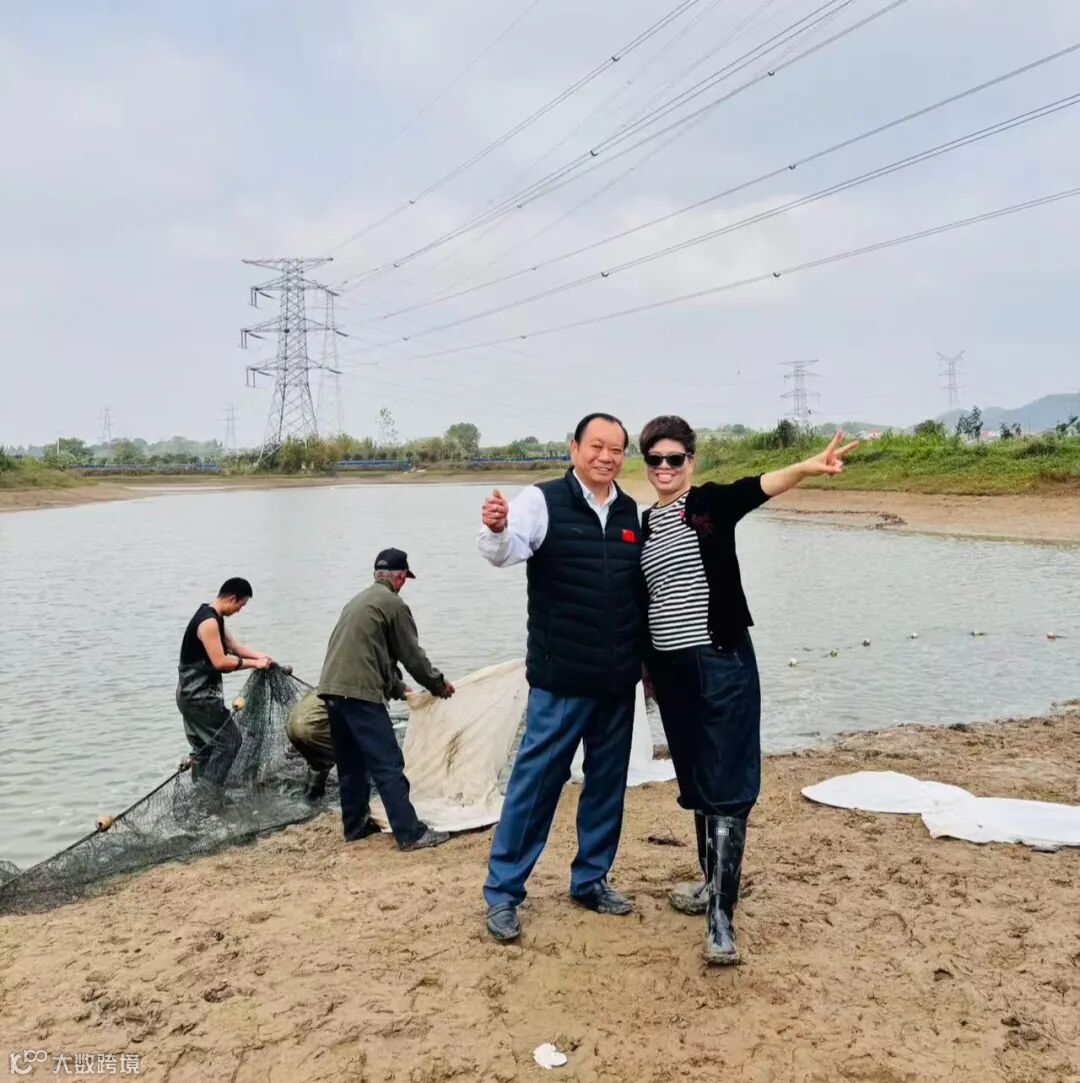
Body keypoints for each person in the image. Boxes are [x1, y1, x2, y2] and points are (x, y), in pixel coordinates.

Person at [638, 415, 857, 964]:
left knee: (728, 783)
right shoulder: (642, 524)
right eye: (655, 459)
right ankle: (709, 882)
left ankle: (721, 918)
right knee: (696, 779)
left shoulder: (710, 504)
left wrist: (808, 466)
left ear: (691, 462)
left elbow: (762, 485)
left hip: (721, 660)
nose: (665, 467)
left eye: (675, 458)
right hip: (671, 673)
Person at [478, 412, 644, 943]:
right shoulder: (540, 500)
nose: (606, 457)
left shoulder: (629, 511)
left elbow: (638, 594)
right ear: (574, 448)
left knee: (606, 786)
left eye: (616, 449)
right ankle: (504, 893)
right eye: (596, 446)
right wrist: (496, 528)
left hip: (617, 682)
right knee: (535, 786)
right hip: (560, 680)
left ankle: (590, 880)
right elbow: (505, 552)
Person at [318, 548, 456, 850]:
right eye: (404, 579)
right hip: (360, 694)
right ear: (400, 577)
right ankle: (411, 834)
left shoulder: (357, 602)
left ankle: (355, 828)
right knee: (388, 764)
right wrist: (438, 685)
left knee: (351, 764)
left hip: (331, 690)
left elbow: (374, 656)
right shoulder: (394, 605)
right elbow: (412, 656)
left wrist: (399, 689)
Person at [176, 577, 272, 786]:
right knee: (230, 741)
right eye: (241, 605)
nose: (240, 610)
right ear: (231, 598)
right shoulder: (208, 622)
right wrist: (253, 664)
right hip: (199, 697)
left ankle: (200, 794)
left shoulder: (214, 616)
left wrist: (260, 657)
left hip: (189, 696)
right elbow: (220, 662)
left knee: (204, 749)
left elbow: (234, 647)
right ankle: (211, 794)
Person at [286, 691, 349, 805]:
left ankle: (310, 800)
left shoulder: (327, 686)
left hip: (291, 727)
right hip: (310, 729)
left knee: (319, 761)